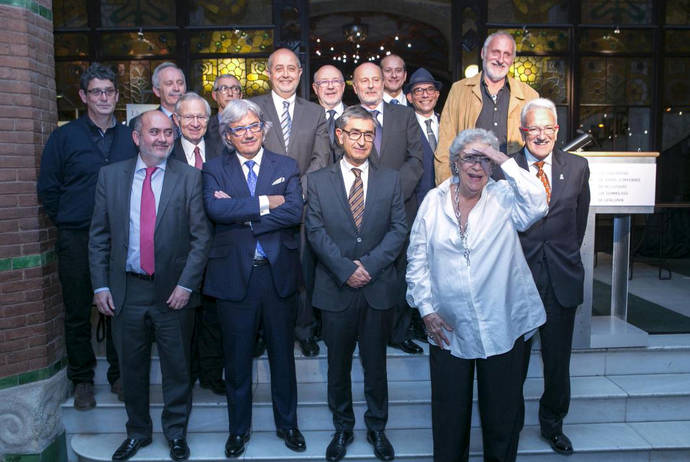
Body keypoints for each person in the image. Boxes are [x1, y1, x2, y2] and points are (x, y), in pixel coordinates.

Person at [406, 128, 548, 462]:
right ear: (456, 162)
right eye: (471, 157)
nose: (478, 166)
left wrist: (504, 161)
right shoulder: (433, 202)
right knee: (449, 420)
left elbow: (539, 203)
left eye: (485, 159)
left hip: (503, 326)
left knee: (502, 419)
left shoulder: (504, 196)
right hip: (448, 328)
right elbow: (417, 260)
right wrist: (426, 309)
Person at [89, 110, 211, 461]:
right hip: (126, 290)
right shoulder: (110, 177)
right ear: (136, 137)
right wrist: (100, 287)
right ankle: (138, 432)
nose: (162, 138)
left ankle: (175, 433)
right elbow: (98, 237)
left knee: (177, 367)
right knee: (132, 367)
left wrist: (187, 285)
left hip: (173, 292)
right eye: (154, 132)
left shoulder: (188, 177)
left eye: (168, 133)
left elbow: (200, 238)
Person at [202, 99, 306, 458]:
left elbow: (294, 212)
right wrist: (267, 202)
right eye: (238, 129)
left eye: (252, 126)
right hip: (234, 279)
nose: (247, 134)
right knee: (237, 360)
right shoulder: (214, 168)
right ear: (228, 136)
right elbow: (215, 209)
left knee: (282, 357)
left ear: (264, 128)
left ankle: (288, 425)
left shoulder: (286, 165)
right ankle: (238, 430)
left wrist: (241, 209)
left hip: (277, 276)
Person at [306, 106, 408, 462]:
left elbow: (399, 230)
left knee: (375, 364)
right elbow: (315, 232)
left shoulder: (391, 179)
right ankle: (343, 427)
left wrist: (369, 266)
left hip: (378, 288)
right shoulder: (318, 181)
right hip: (336, 288)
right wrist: (345, 269)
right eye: (355, 133)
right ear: (340, 136)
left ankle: (377, 428)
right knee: (337, 365)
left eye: (368, 134)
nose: (362, 140)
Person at [37, 63, 136, 409]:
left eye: (109, 91)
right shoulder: (64, 137)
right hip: (77, 237)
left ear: (118, 96)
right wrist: (70, 220)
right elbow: (48, 189)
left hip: (120, 238)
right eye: (96, 92)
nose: (104, 97)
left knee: (119, 308)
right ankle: (82, 379)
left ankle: (120, 375)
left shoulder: (130, 137)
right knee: (78, 309)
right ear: (83, 96)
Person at [502, 98, 590, 456]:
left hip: (561, 280)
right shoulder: (506, 169)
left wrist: (561, 256)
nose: (540, 135)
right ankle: (509, 424)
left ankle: (553, 424)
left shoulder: (578, 167)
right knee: (513, 364)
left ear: (557, 131)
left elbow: (577, 222)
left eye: (547, 128)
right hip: (519, 282)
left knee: (557, 362)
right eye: (533, 128)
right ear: (523, 132)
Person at [251, 47, 331, 357]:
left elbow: (321, 158)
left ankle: (304, 330)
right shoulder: (253, 108)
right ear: (269, 73)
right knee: (263, 272)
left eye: (291, 68)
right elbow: (247, 152)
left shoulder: (316, 113)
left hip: (304, 207)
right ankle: (262, 333)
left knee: (303, 272)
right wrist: (272, 199)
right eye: (278, 68)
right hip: (262, 207)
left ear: (300, 74)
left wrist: (294, 195)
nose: (285, 74)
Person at [352, 61, 424, 355]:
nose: (370, 85)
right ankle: (363, 332)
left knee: (400, 270)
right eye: (363, 81)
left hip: (401, 208)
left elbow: (416, 160)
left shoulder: (405, 116)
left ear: (384, 82)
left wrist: (391, 194)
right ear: (355, 88)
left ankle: (398, 332)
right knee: (365, 269)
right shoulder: (348, 119)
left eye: (375, 79)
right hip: (359, 211)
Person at [170, 91, 225, 395]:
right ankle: (187, 374)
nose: (195, 122)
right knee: (183, 318)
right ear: (176, 120)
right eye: (188, 117)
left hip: (218, 246)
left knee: (214, 317)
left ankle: (212, 374)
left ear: (209, 120)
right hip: (180, 247)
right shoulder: (166, 151)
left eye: (201, 116)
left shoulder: (222, 150)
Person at [435, 31, 539, 184]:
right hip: (471, 188)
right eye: (495, 52)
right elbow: (445, 147)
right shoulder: (459, 90)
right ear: (483, 53)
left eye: (507, 54)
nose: (500, 60)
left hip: (514, 190)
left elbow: (537, 148)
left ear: (512, 60)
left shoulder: (529, 95)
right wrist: (448, 189)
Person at [129, 62, 186, 138]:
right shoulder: (142, 122)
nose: (176, 88)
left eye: (180, 83)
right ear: (157, 91)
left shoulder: (201, 120)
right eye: (169, 83)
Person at [312, 64, 347, 162]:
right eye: (324, 82)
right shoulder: (306, 119)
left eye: (335, 81)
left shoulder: (357, 117)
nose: (330, 86)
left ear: (343, 86)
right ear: (315, 88)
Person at [208, 74, 243, 149]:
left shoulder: (250, 125)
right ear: (214, 95)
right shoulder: (205, 127)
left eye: (235, 89)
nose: (230, 93)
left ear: (240, 96)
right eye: (224, 88)